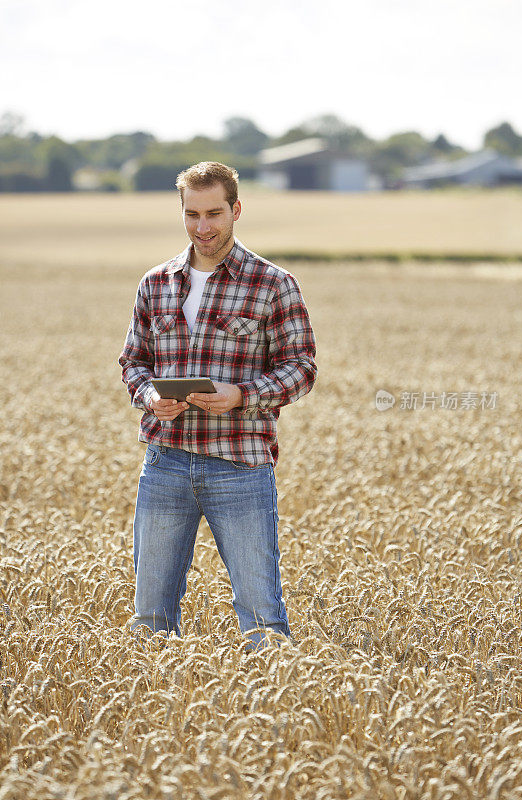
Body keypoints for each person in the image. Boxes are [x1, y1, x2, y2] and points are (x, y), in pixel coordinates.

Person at [118, 161, 317, 650]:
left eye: (213, 213)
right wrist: (149, 397)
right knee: (149, 619)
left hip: (240, 466)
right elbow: (133, 362)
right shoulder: (156, 282)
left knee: (262, 618)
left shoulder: (272, 283)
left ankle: (279, 715)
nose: (202, 227)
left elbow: (302, 367)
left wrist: (241, 396)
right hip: (165, 463)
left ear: (236, 210)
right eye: (191, 214)